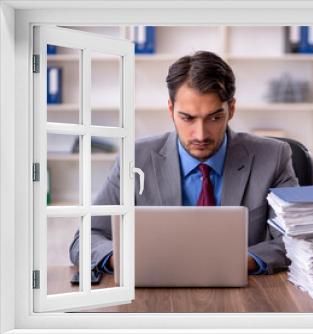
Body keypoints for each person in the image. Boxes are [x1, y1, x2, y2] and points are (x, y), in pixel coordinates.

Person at [69, 50, 299, 277]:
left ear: (232, 109)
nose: (200, 134)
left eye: (214, 117)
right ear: (171, 109)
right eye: (187, 118)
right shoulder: (135, 159)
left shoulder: (274, 156)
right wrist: (120, 258)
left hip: (245, 293)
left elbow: (294, 240)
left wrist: (234, 262)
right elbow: (86, 239)